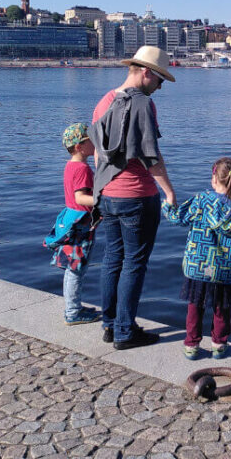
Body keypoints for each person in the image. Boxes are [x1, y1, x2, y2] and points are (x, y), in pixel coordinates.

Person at [91, 45, 177, 350]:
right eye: (160, 80)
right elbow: (150, 156)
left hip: (107, 194)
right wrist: (169, 192)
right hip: (137, 196)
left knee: (112, 259)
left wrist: (102, 190)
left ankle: (110, 324)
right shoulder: (142, 104)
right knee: (134, 263)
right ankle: (126, 331)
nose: (160, 87)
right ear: (146, 73)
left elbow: (98, 154)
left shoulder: (105, 100)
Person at [162, 156, 231, 360]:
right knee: (222, 307)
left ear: (214, 179)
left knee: (195, 305)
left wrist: (166, 206)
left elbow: (178, 218)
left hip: (198, 264)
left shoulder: (201, 200)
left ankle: (192, 345)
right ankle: (219, 345)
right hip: (224, 268)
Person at [43, 122, 101, 325]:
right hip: (81, 225)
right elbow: (80, 198)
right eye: (90, 141)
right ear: (79, 146)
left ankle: (73, 306)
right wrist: (104, 200)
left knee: (72, 268)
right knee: (77, 269)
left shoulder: (70, 165)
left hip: (71, 221)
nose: (94, 143)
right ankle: (73, 312)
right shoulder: (82, 168)